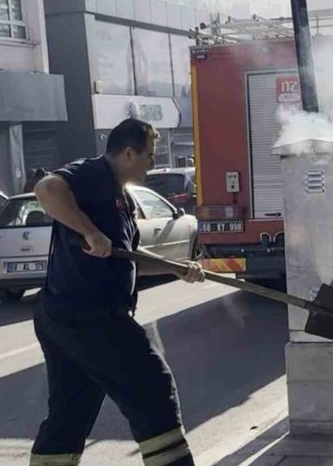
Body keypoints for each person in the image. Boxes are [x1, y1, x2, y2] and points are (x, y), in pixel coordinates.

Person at [30, 118, 204, 466]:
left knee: (71, 411)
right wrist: (91, 233)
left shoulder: (121, 197)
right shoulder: (92, 174)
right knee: (153, 386)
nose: (152, 164)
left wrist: (175, 267)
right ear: (128, 153)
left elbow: (128, 259)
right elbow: (46, 190)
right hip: (88, 315)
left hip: (66, 315)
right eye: (150, 156)